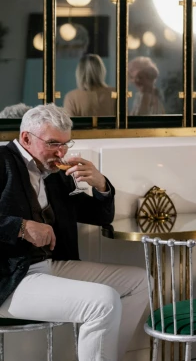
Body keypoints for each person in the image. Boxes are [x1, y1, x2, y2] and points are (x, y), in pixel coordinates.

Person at [0, 104, 148, 361]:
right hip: (10, 277)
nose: (61, 152)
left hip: (51, 265)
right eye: (53, 143)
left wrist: (100, 184)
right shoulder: (2, 162)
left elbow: (100, 216)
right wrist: (21, 227)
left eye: (66, 144)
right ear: (26, 138)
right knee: (103, 301)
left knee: (143, 282)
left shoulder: (56, 173)